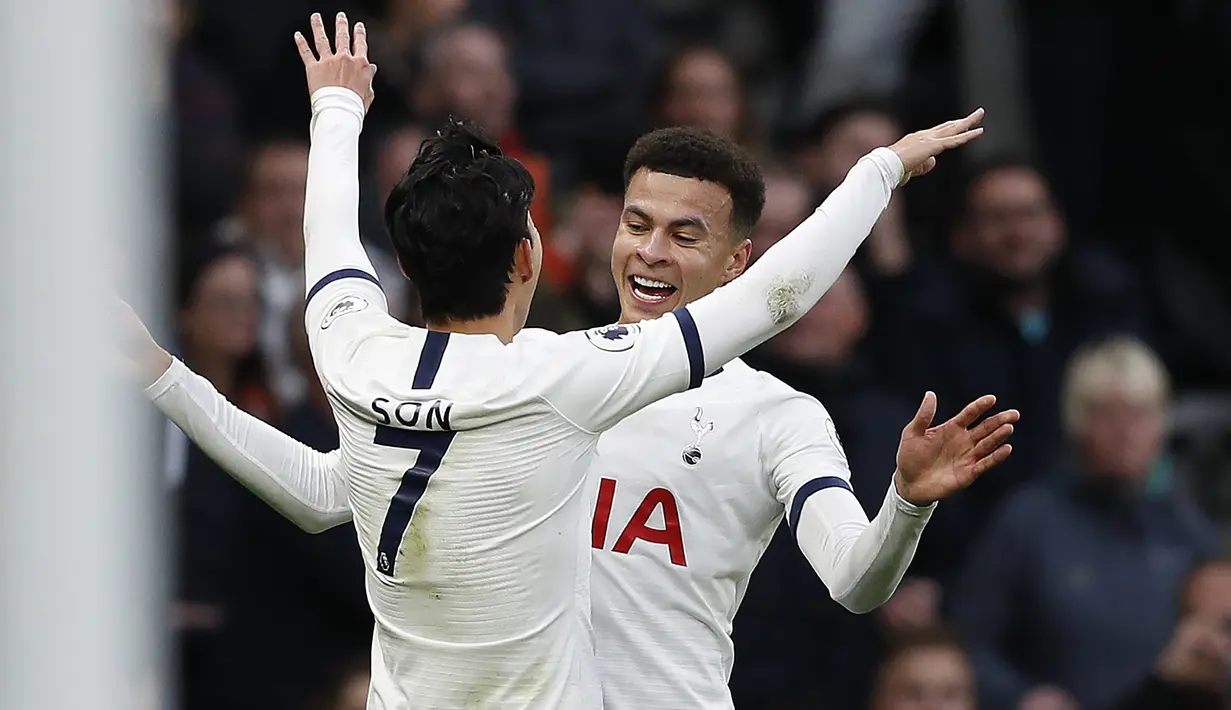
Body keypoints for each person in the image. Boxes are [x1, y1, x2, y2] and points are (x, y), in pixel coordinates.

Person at [131, 11, 993, 708]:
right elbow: (332, 489)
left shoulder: (778, 417)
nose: (650, 253)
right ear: (541, 254)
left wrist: (905, 505)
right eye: (635, 224)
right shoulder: (547, 374)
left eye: (684, 234)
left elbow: (853, 582)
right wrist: (879, 170)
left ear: (737, 259)